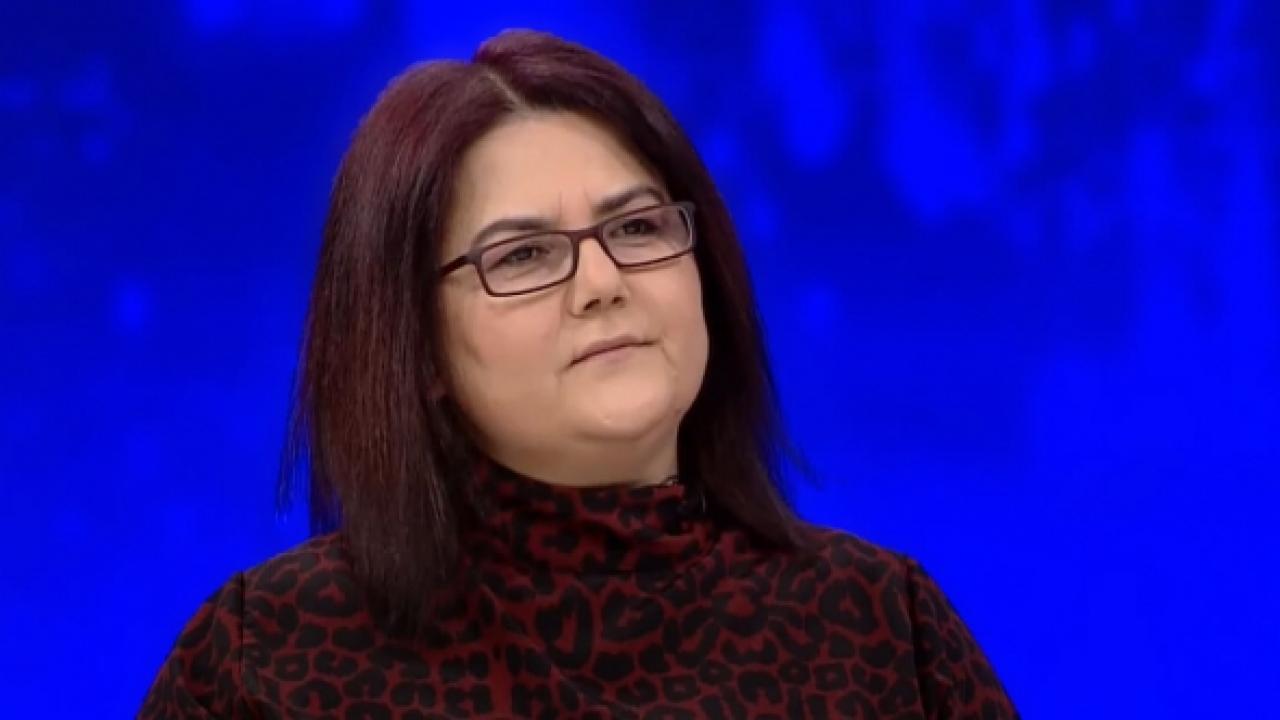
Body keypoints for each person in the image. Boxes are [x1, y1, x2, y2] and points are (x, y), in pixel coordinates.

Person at [140, 29, 1018, 719]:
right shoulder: (268, 660)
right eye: (522, 256)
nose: (602, 283)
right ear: (417, 347)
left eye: (636, 229)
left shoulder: (877, 629)